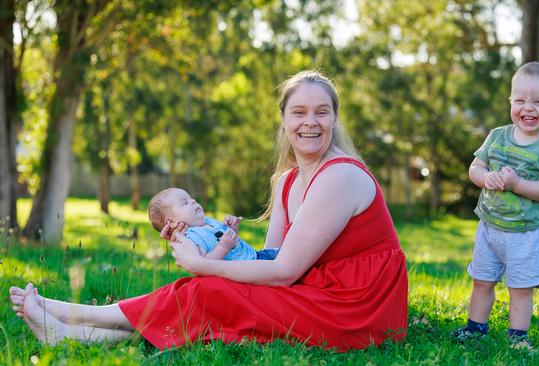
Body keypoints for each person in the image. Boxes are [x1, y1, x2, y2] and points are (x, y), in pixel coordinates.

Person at [9, 70, 408, 350]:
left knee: (209, 288)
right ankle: (68, 329)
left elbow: (284, 272)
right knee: (210, 294)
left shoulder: (340, 176)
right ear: (284, 120)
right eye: (299, 112)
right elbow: (264, 260)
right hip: (316, 291)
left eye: (322, 112)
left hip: (356, 310)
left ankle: (65, 313)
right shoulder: (286, 180)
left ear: (335, 119)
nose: (311, 123)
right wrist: (200, 242)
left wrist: (205, 266)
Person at [453, 61, 539, 350]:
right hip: (490, 227)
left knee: (520, 288)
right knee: (481, 280)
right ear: (511, 102)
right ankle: (475, 329)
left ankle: (518, 338)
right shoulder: (497, 136)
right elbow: (475, 167)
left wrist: (517, 185)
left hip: (527, 235)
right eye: (520, 101)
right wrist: (485, 177)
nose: (528, 108)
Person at [148, 187, 279, 260]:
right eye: (185, 202)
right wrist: (223, 247)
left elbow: (232, 242)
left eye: (190, 198)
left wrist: (231, 229)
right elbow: (205, 263)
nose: (193, 201)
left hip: (256, 255)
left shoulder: (207, 221)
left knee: (287, 256)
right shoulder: (191, 239)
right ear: (171, 222)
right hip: (248, 270)